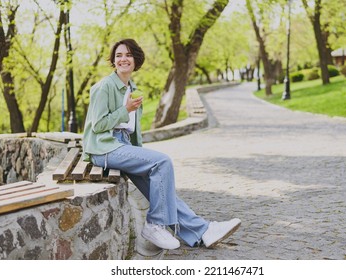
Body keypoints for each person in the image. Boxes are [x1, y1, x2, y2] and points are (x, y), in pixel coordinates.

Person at [82, 38, 241, 250]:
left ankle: (202, 231)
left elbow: (132, 130)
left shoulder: (132, 87)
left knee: (162, 187)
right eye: (118, 55)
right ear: (113, 60)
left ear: (136, 59)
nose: (123, 59)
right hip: (105, 148)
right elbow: (98, 125)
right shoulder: (104, 87)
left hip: (123, 146)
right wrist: (125, 110)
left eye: (128, 55)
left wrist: (138, 151)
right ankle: (154, 224)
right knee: (162, 162)